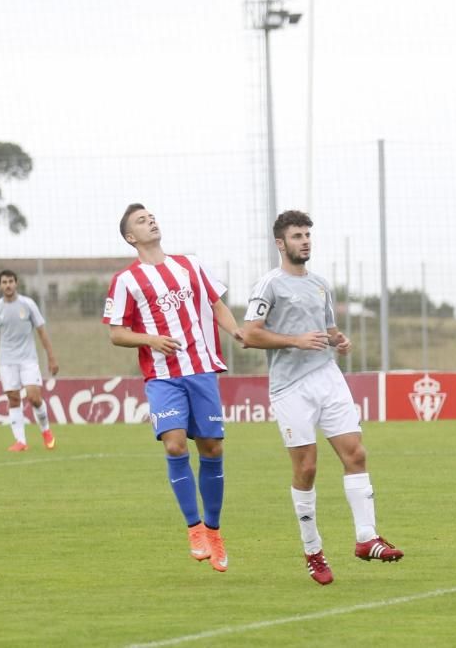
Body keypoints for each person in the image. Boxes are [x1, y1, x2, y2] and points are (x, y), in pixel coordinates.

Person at [242, 210, 403, 587]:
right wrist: (294, 340)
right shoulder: (269, 285)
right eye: (297, 236)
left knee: (356, 454)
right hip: (290, 387)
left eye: (308, 235)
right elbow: (250, 334)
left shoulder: (320, 285)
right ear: (281, 243)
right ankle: (313, 551)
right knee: (307, 468)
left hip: (327, 377)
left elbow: (329, 330)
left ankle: (367, 539)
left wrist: (339, 340)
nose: (305, 241)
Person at [104, 203, 242, 573]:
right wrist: (151, 339)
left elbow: (216, 305)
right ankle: (194, 529)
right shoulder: (125, 281)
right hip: (163, 375)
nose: (150, 221)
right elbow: (116, 334)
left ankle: (214, 531)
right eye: (140, 220)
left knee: (211, 448)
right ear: (131, 237)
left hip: (201, 370)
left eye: (151, 216)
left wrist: (237, 331)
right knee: (175, 442)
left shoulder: (191, 264)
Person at [0, 270, 59, 451]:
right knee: (13, 399)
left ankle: (46, 431)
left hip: (28, 359)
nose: (8, 285)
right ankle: (21, 441)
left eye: (11, 281)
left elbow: (42, 332)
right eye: (4, 282)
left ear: (16, 283)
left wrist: (51, 358)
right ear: (0, 286)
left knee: (34, 397)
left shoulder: (28, 305)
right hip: (6, 361)